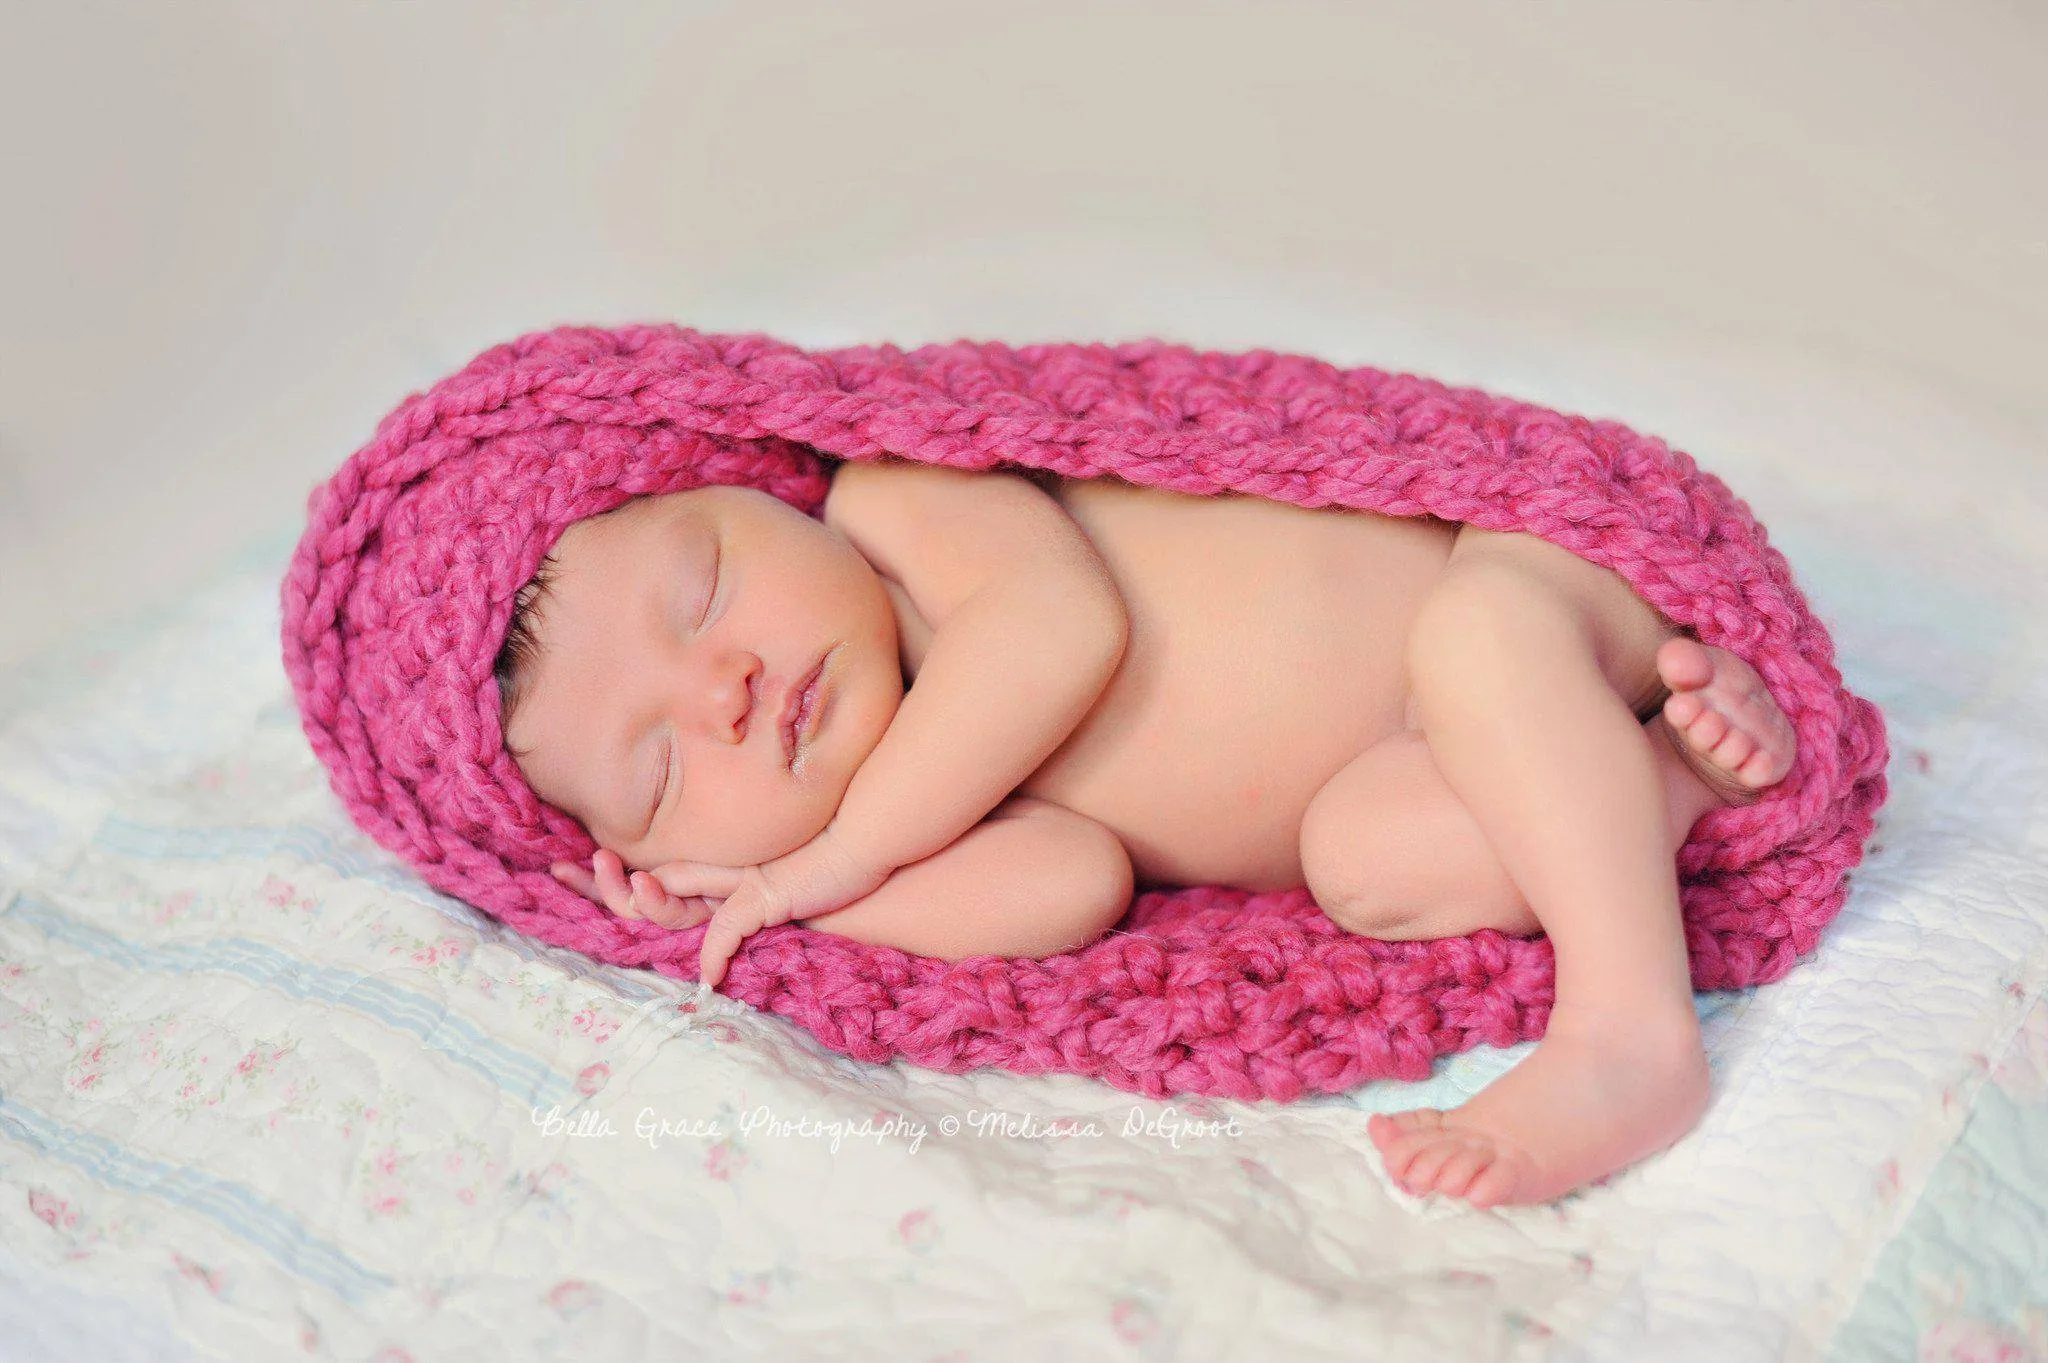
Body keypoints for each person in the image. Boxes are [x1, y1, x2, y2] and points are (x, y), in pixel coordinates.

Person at [496, 454, 1796, 1209]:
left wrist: (830, 852)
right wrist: (794, 897)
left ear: (757, 489)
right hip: (1435, 748)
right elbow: (1069, 881)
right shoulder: (910, 804)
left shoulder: (895, 501)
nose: (721, 688)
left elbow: (1058, 622)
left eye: (703, 586)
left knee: (1481, 641)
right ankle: (1675, 774)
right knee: (1372, 862)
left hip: (1516, 562)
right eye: (663, 769)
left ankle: (1630, 1033)